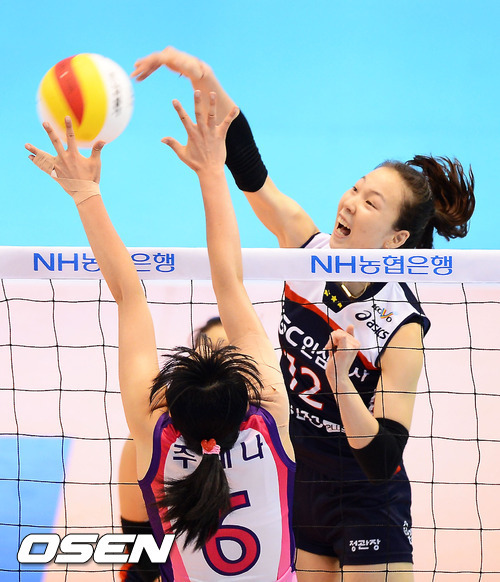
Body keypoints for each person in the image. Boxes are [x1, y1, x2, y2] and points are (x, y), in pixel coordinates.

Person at [132, 48, 475, 581]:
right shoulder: (308, 250)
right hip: (299, 475)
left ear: (396, 239)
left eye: (372, 203)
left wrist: (342, 383)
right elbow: (251, 173)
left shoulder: (400, 325)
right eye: (356, 187)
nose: (350, 202)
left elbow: (382, 456)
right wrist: (204, 77)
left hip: (366, 493)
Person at [25, 93, 296, 581]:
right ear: (248, 394)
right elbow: (229, 282)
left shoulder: (156, 437)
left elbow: (130, 296)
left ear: (171, 402)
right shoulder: (271, 417)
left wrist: (85, 193)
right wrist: (212, 170)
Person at [118, 316, 227, 582]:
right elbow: (141, 549)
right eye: (209, 354)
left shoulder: (267, 433)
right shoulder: (149, 437)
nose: (216, 367)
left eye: (227, 355)